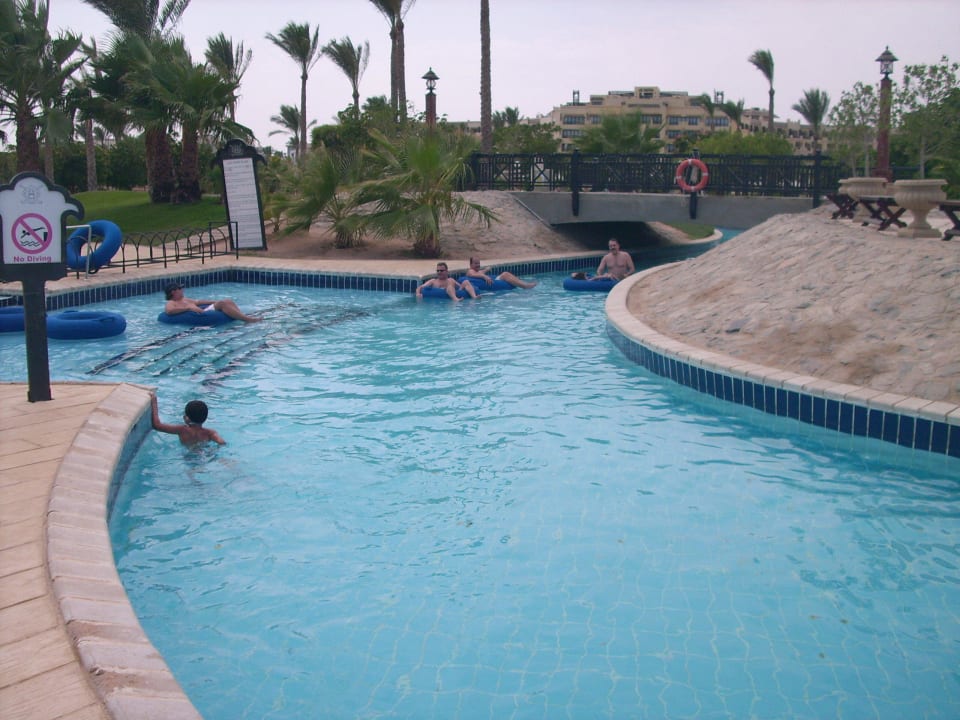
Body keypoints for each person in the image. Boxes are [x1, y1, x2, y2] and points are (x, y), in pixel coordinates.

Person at [150, 392, 226, 446]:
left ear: (187, 419)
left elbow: (157, 425)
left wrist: (154, 402)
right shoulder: (210, 433)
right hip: (204, 455)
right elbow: (222, 443)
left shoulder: (181, 430)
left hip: (187, 457)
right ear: (205, 418)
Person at [163, 282, 261, 322]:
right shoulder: (171, 302)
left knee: (227, 301)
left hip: (204, 311)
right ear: (173, 292)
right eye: (180, 288)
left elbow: (199, 302)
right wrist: (188, 308)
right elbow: (169, 311)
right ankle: (248, 320)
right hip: (203, 314)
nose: (182, 290)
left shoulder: (185, 299)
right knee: (223, 304)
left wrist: (214, 301)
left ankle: (241, 316)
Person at [465, 257, 538, 289]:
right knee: (505, 274)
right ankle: (525, 286)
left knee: (507, 275)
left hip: (493, 280)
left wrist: (487, 269)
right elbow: (472, 274)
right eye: (476, 263)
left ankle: (523, 283)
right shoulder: (470, 271)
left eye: (478, 263)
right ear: (471, 265)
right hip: (494, 282)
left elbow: (482, 272)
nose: (478, 265)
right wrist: (484, 276)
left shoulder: (477, 271)